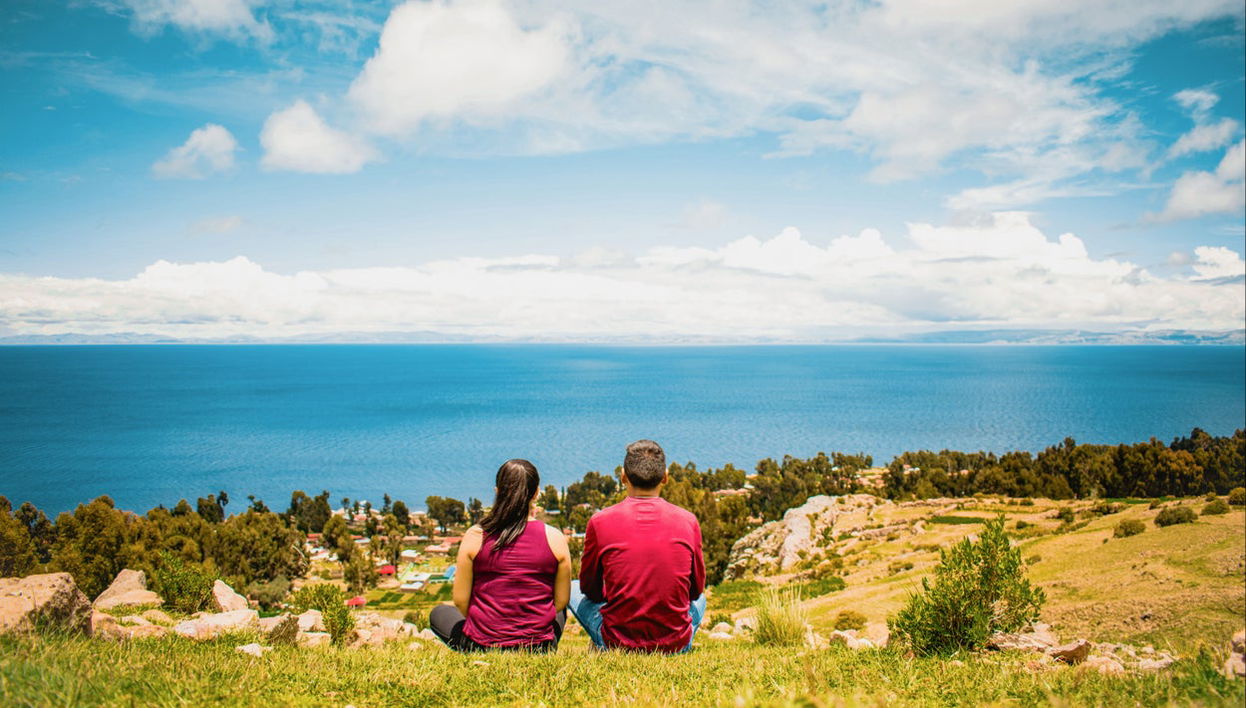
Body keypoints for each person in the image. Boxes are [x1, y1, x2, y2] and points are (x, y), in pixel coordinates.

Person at [570, 439, 707, 653]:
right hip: (676, 644)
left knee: (572, 588)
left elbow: (589, 588)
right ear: (665, 477)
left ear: (623, 476)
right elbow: (696, 589)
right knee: (702, 600)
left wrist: (617, 592)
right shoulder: (688, 521)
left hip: (617, 642)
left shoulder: (599, 522)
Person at [429, 459, 572, 652]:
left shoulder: (476, 536)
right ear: (537, 492)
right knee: (561, 610)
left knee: (438, 613)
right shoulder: (555, 538)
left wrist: (488, 628)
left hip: (482, 644)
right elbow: (561, 601)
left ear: (497, 491)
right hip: (539, 646)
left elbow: (461, 601)